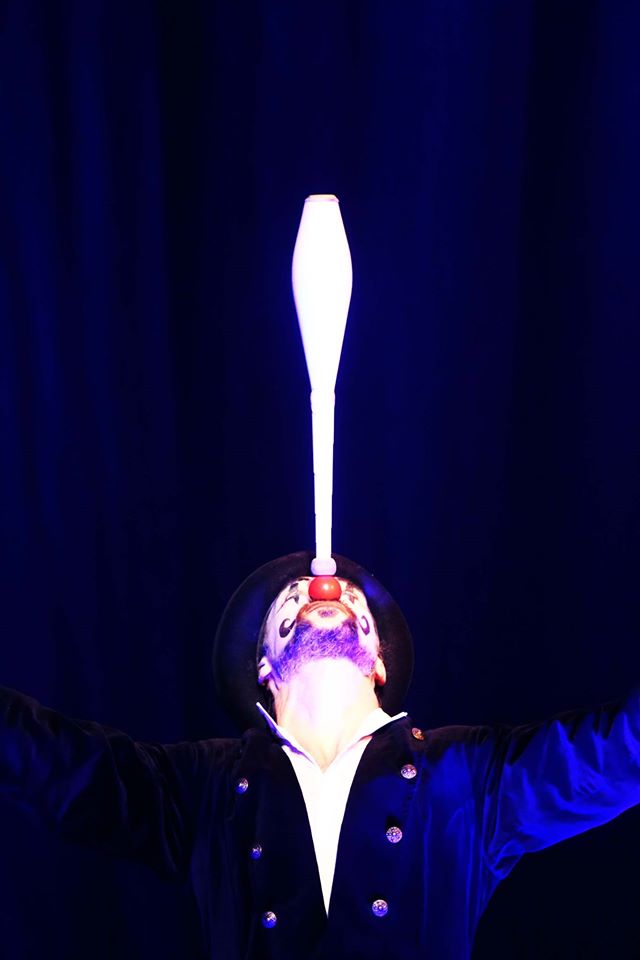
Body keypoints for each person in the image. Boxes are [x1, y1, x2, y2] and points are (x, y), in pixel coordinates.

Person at [1, 550, 640, 960]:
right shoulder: (204, 787)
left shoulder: (469, 779)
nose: (324, 587)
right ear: (263, 664)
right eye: (293, 593)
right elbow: (56, 765)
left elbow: (618, 754)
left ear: (379, 661)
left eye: (351, 595)